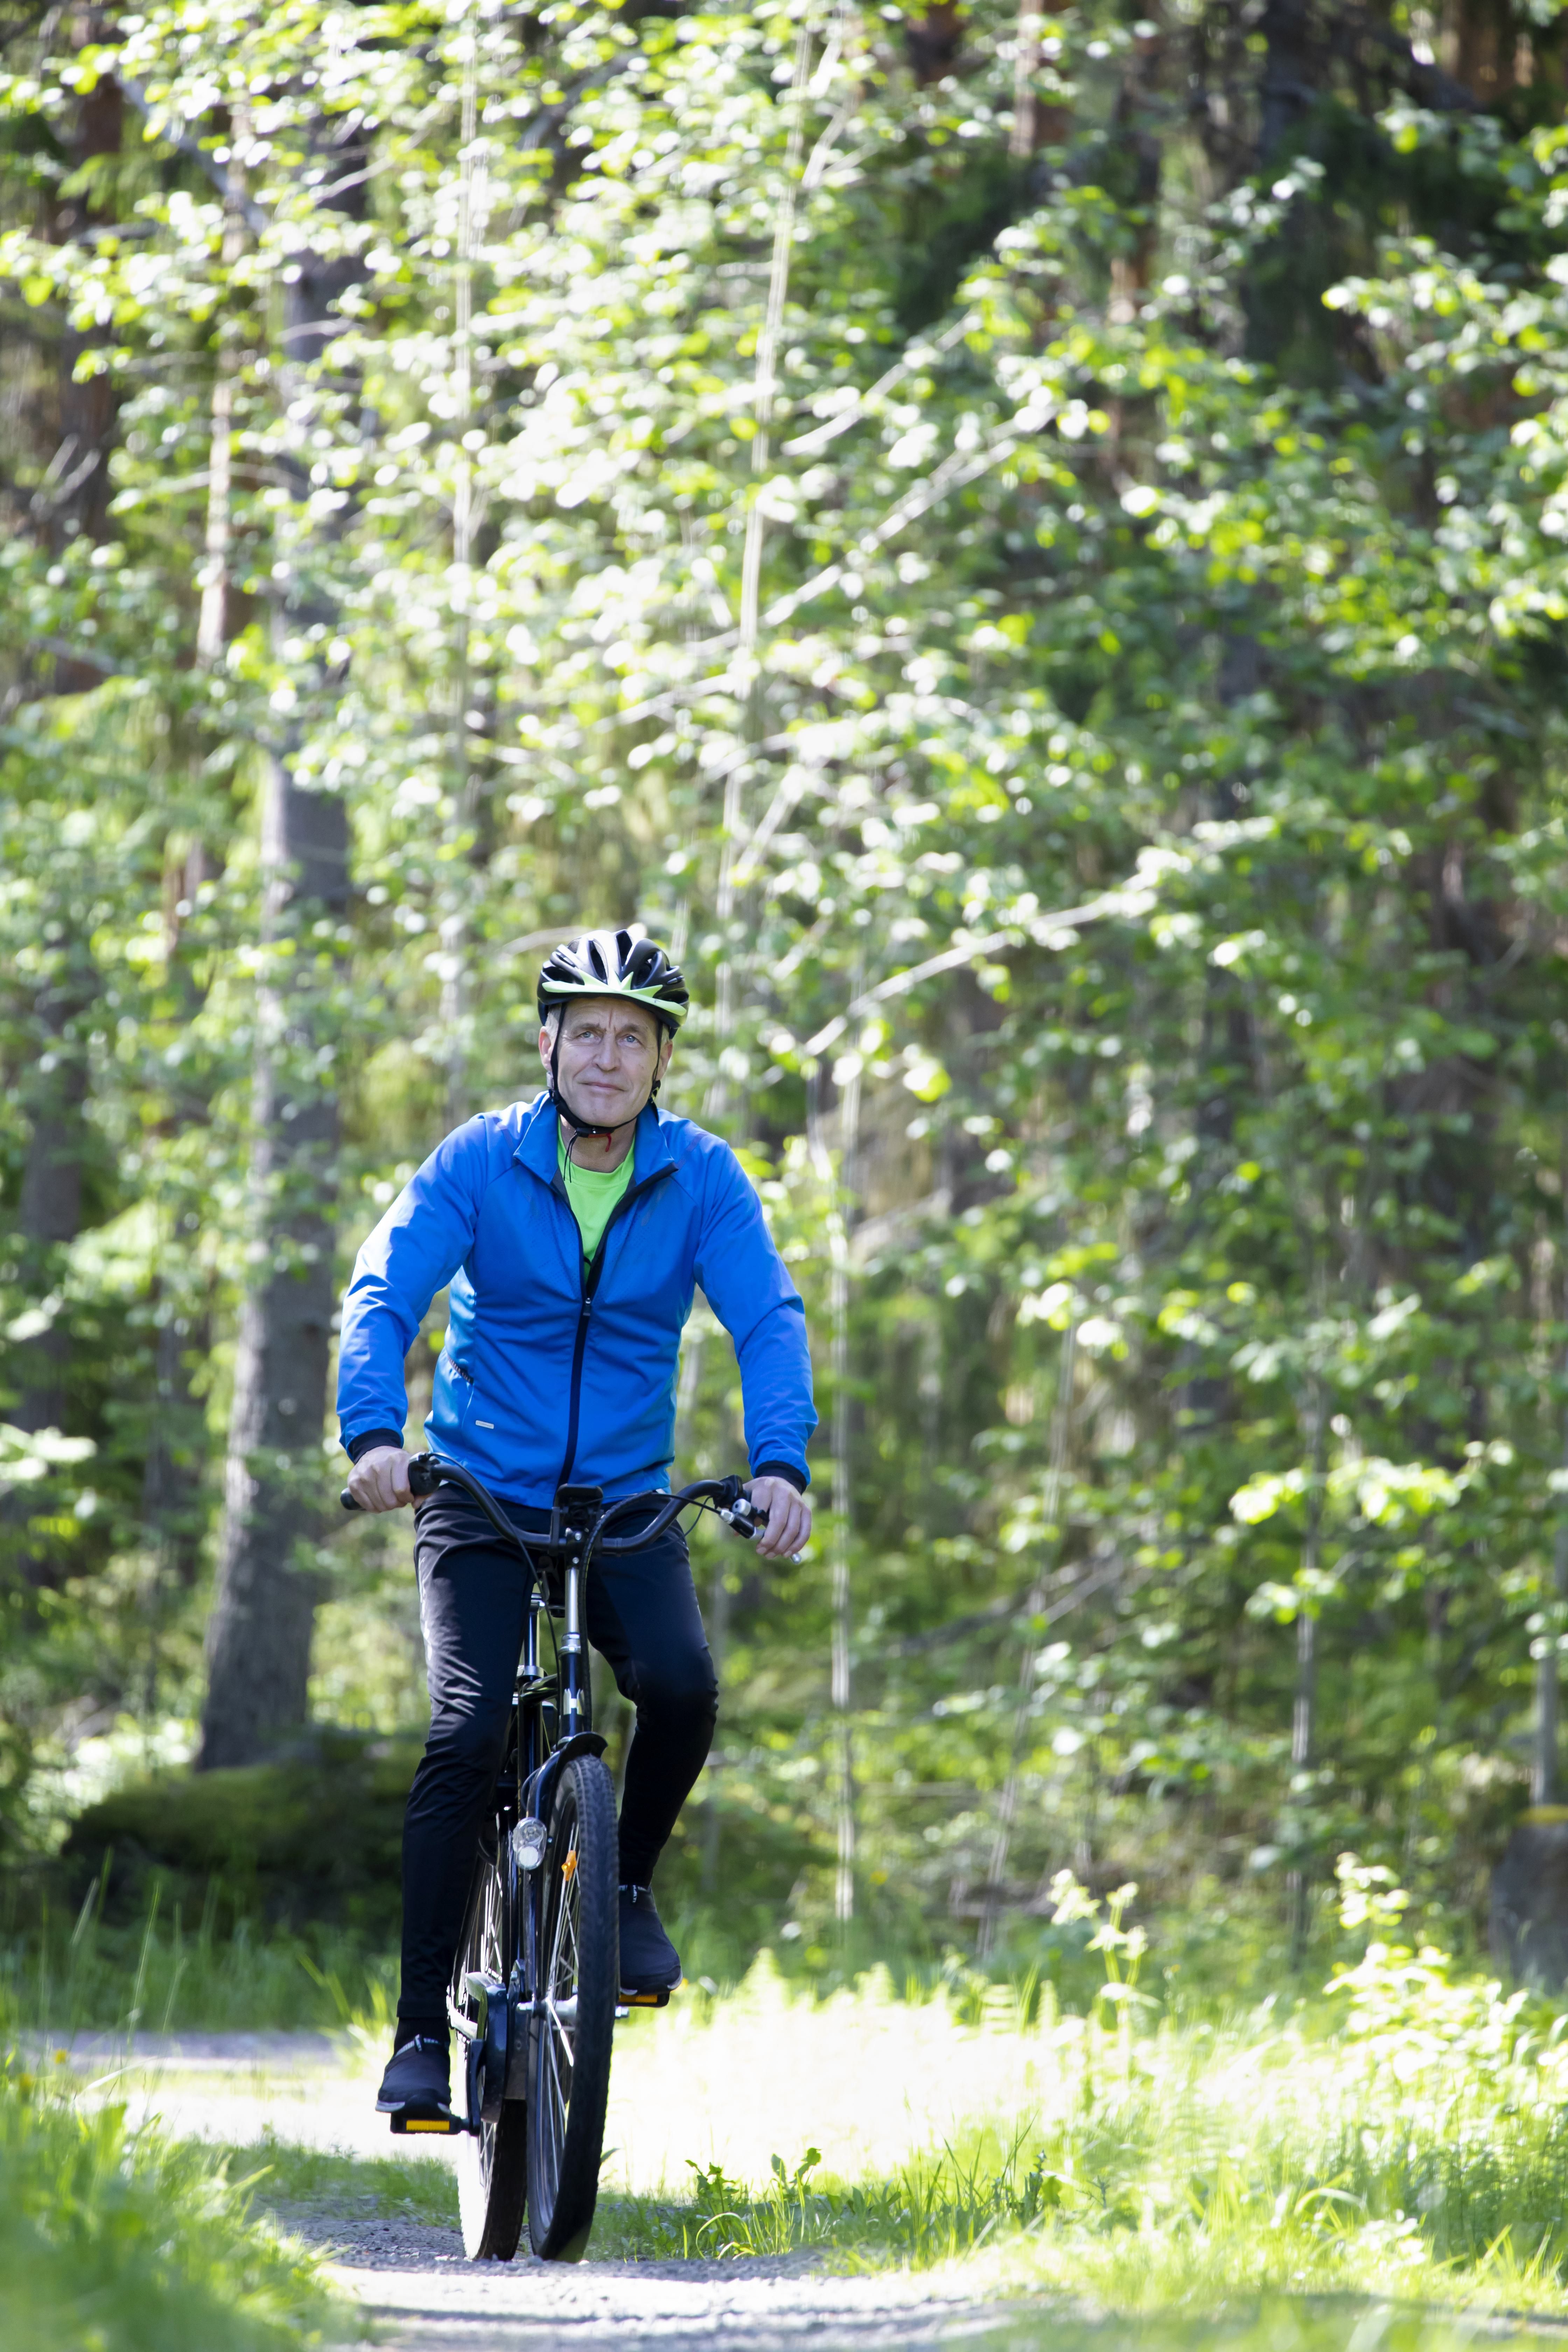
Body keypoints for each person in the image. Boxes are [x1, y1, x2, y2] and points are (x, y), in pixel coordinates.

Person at [336, 929, 817, 2120]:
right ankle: (415, 2042)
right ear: (548, 1044)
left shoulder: (701, 1177)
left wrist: (779, 1463)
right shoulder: (480, 1163)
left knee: (685, 1683)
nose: (608, 1057)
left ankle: (623, 1893)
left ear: (662, 1062)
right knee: (463, 1729)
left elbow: (767, 1319)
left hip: (624, 1499)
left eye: (634, 1038)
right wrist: (374, 1437)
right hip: (482, 1495)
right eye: (587, 1032)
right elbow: (386, 1289)